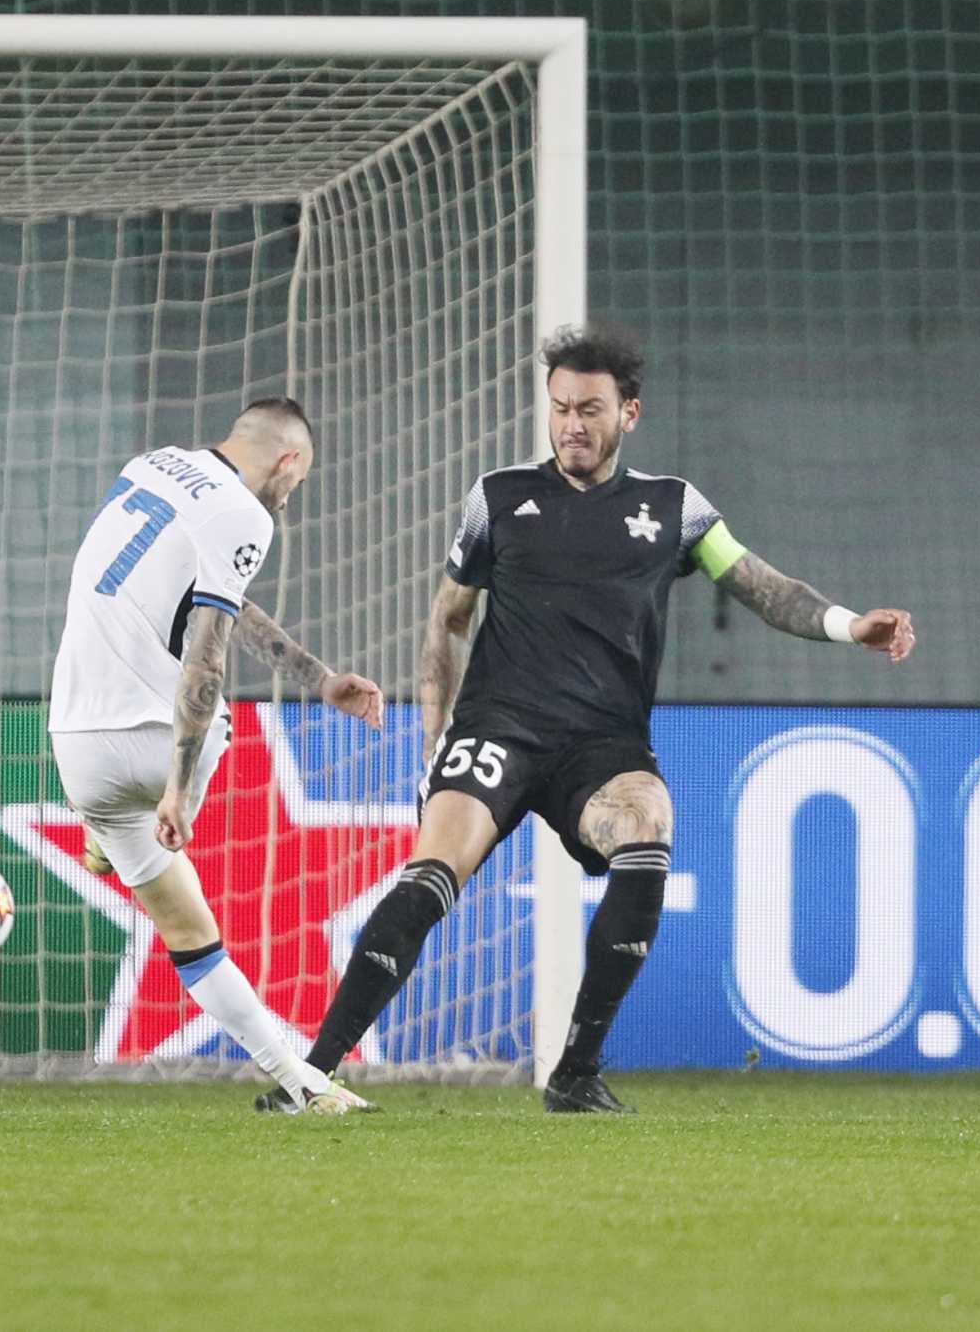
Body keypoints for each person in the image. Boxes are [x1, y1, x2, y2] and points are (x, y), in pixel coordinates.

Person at [275, 326, 917, 1114]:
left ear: (629, 414)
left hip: (603, 745)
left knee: (649, 828)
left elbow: (761, 585)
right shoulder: (499, 498)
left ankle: (575, 1072)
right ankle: (312, 1073)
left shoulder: (674, 508)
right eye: (560, 408)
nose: (572, 423)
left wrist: (851, 625)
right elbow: (447, 618)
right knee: (433, 871)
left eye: (590, 409)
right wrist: (435, 740)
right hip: (497, 729)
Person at [49, 400, 386, 1114]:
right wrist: (178, 787)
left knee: (192, 935)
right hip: (148, 742)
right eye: (299, 479)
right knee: (216, 713)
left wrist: (318, 677)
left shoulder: (151, 466)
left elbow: (223, 605)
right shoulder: (245, 512)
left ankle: (303, 1082)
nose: (291, 496)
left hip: (74, 747)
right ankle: (151, 804)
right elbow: (207, 656)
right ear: (288, 459)